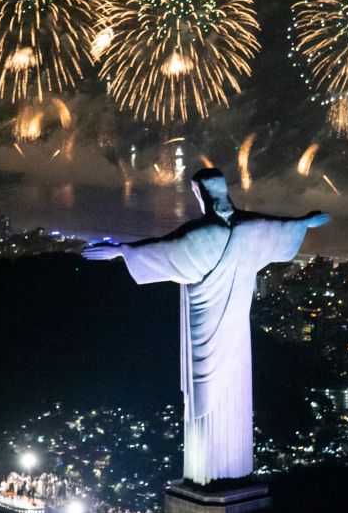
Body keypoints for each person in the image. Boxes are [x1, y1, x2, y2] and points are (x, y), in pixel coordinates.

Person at [83, 168, 329, 485]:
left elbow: (163, 249)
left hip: (205, 327)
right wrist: (305, 222)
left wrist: (120, 250)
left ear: (200, 194)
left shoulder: (202, 235)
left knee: (205, 395)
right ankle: (227, 474)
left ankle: (209, 477)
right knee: (229, 390)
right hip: (237, 329)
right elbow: (280, 227)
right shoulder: (251, 227)